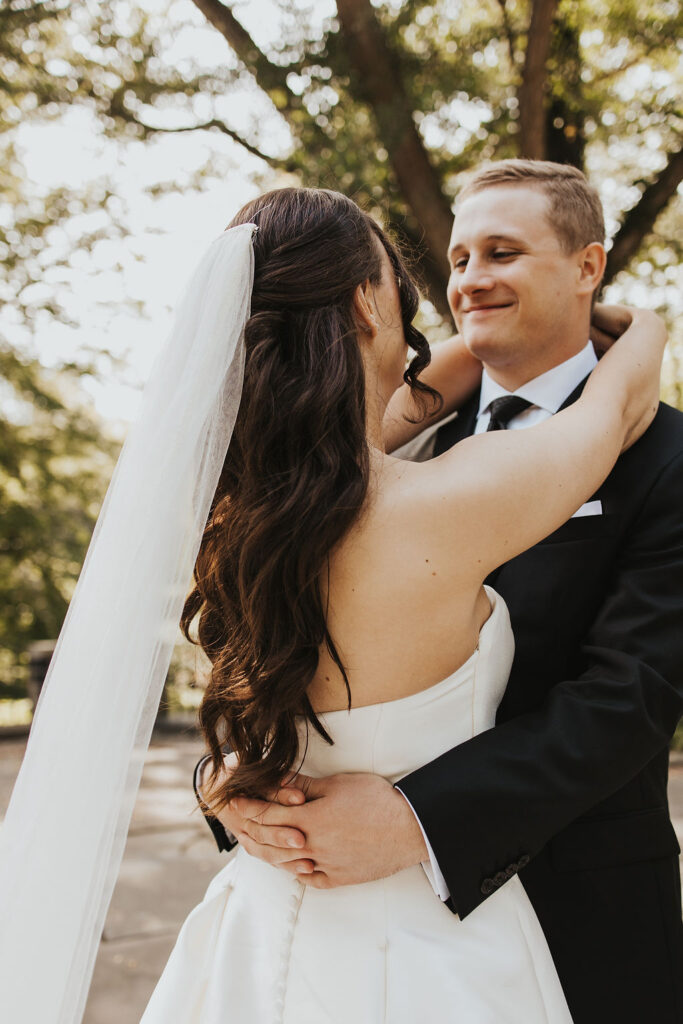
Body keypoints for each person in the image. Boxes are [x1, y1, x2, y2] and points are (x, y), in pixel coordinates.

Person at [137, 181, 665, 1024]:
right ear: (364, 304)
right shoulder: (446, 481)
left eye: (501, 253)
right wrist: (647, 329)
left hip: (292, 919)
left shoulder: (239, 509)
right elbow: (610, 411)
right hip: (441, 959)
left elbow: (628, 696)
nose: (462, 286)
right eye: (450, 265)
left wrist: (246, 786)